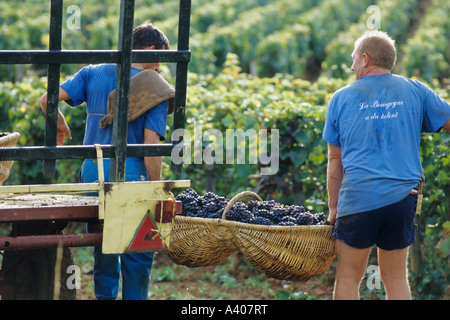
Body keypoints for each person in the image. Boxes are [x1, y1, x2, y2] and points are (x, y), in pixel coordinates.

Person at [40, 21, 171, 300]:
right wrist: (157, 187)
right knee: (137, 252)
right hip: (131, 175)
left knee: (106, 247)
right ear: (149, 49)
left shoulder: (93, 72)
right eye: (160, 57)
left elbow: (46, 99)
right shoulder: (155, 89)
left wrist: (60, 124)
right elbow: (150, 146)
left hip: (93, 173)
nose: (159, 67)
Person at [322, 30, 450, 300]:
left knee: (347, 277)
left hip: (357, 200)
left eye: (354, 60)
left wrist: (334, 208)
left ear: (365, 60)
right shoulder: (416, 90)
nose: (352, 65)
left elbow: (335, 161)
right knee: (395, 277)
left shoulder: (340, 98)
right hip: (402, 197)